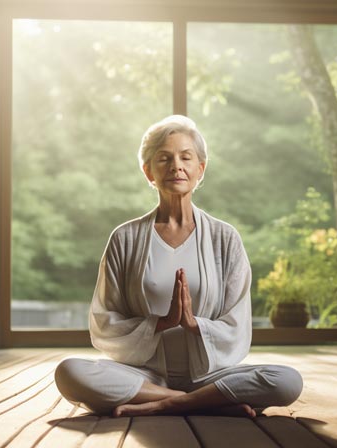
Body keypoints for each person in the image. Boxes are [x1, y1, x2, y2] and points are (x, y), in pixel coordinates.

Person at [54, 115, 303, 417]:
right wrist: (162, 322)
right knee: (70, 372)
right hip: (144, 375)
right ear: (148, 172)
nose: (176, 166)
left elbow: (237, 325)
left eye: (186, 157)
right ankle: (205, 403)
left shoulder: (225, 238)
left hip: (210, 376)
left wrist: (194, 324)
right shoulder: (124, 238)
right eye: (164, 159)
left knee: (287, 381)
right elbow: (104, 321)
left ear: (201, 169)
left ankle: (166, 404)